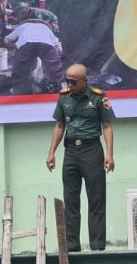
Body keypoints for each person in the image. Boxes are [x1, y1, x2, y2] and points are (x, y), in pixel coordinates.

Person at [46, 64, 115, 251]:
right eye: (67, 80)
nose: (69, 84)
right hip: (71, 152)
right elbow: (60, 126)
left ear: (85, 80)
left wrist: (109, 155)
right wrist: (52, 152)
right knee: (70, 200)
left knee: (96, 201)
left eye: (74, 81)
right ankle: (72, 246)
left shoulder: (98, 97)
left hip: (92, 151)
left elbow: (107, 127)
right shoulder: (64, 97)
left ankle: (97, 246)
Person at [4, 19, 64, 94]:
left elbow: (7, 39)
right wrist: (56, 58)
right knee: (57, 71)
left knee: (20, 71)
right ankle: (63, 88)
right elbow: (58, 45)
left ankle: (19, 92)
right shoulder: (45, 28)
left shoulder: (22, 26)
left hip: (26, 45)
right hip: (47, 45)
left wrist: (15, 46)